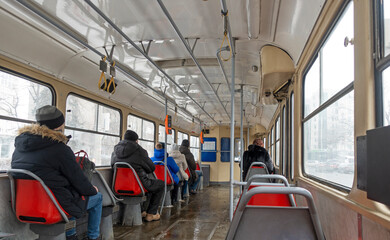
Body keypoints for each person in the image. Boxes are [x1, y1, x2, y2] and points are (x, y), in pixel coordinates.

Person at [11, 105, 102, 240]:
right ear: (58, 126)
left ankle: (71, 235)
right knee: (95, 198)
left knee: (69, 196)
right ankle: (93, 237)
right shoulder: (60, 149)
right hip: (53, 206)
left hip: (24, 207)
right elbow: (78, 180)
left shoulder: (19, 148)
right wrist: (92, 190)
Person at [111, 130, 164, 222]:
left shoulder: (115, 151)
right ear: (136, 140)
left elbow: (112, 165)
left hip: (118, 186)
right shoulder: (140, 151)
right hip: (138, 185)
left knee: (150, 185)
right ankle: (151, 214)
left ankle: (142, 211)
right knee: (159, 184)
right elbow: (151, 168)